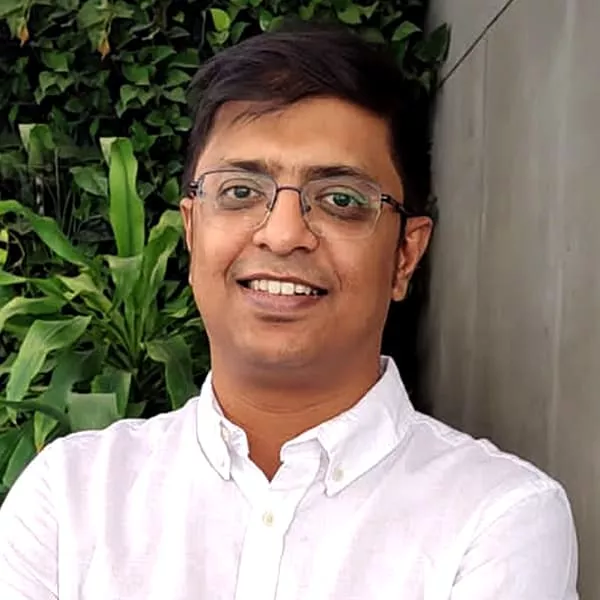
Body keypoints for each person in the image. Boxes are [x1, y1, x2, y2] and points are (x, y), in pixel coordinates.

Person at [0, 22, 578, 600]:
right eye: (240, 192)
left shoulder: (498, 518)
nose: (282, 234)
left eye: (341, 200)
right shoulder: (69, 501)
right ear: (193, 231)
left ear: (405, 254)